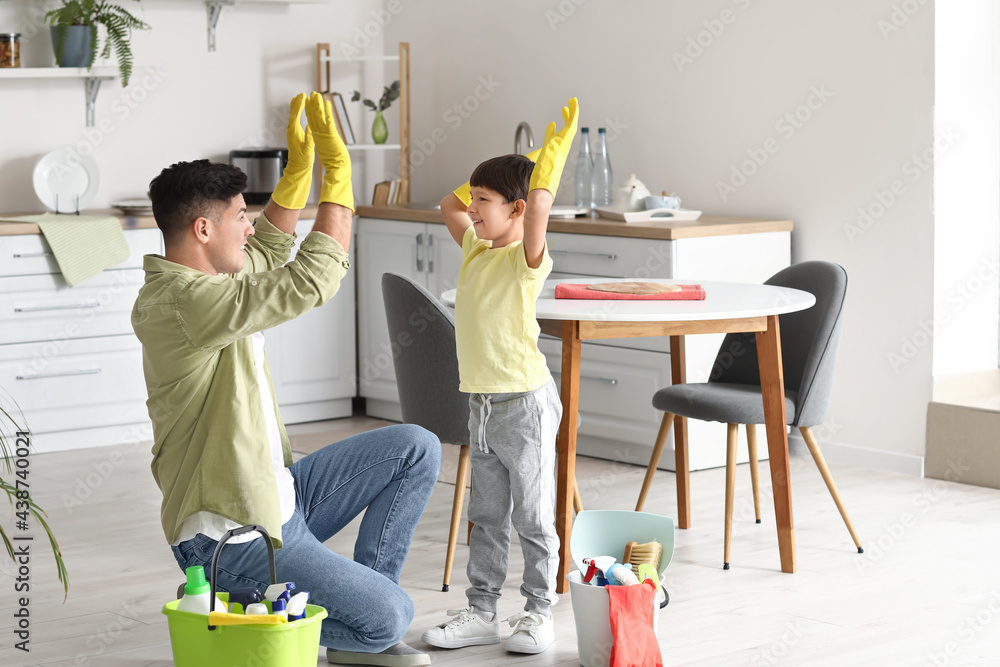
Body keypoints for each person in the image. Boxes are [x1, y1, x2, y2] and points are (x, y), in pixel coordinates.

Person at [132, 92, 439, 667]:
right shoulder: (185, 301)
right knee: (392, 616)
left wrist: (298, 174)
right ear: (203, 228)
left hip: (278, 498)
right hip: (235, 537)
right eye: (238, 218)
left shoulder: (209, 278)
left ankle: (345, 619)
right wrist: (339, 181)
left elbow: (269, 247)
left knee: (415, 447)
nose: (248, 229)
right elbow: (310, 279)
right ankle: (244, 602)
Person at [421, 98, 578, 655]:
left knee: (534, 516)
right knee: (486, 516)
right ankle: (482, 610)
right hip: (483, 406)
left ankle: (538, 613)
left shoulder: (523, 259)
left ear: (515, 210)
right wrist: (514, 166)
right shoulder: (475, 247)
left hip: (525, 406)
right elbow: (447, 202)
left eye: (485, 201)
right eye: (477, 200)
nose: (474, 209)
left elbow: (537, 216)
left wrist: (544, 172)